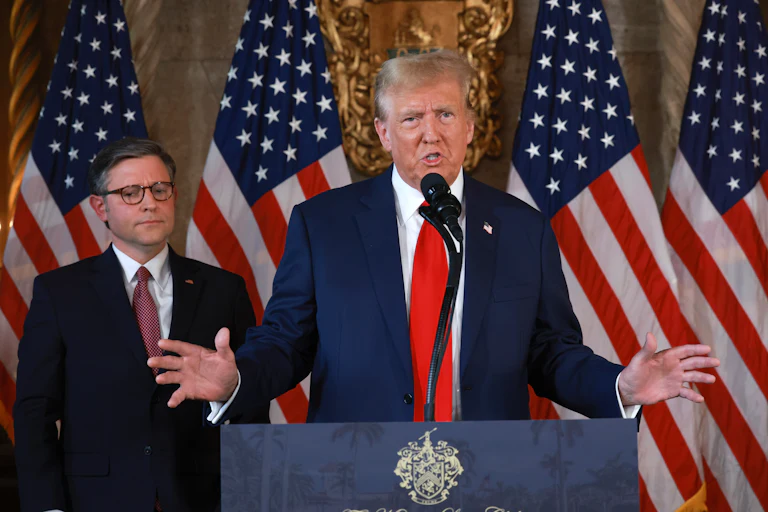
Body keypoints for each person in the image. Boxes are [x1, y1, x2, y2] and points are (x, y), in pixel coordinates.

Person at [149, 51, 719, 425]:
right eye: (411, 119)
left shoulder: (522, 228)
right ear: (382, 132)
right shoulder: (322, 225)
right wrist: (237, 378)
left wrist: (621, 385)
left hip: (488, 478)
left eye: (445, 115)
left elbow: (551, 353)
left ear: (470, 127)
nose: (431, 134)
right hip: (357, 472)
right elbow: (286, 342)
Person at [13, 137, 269, 512]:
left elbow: (252, 407)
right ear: (100, 206)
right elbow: (35, 412)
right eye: (131, 193)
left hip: (202, 498)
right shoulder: (59, 293)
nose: (150, 203)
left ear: (174, 195)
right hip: (93, 500)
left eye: (159, 189)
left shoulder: (224, 290)